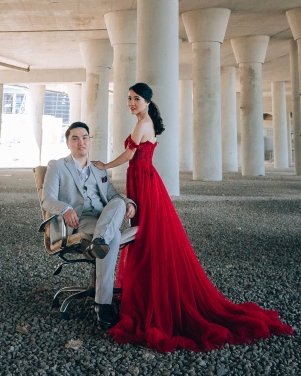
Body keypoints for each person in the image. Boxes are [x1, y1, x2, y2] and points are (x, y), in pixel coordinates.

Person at [92, 82, 293, 353]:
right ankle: (147, 289)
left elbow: (130, 155)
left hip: (144, 179)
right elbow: (134, 157)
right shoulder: (144, 121)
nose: (131, 103)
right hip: (143, 179)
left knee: (146, 233)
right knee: (143, 233)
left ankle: (152, 293)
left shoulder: (142, 124)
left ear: (147, 101)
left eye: (136, 99)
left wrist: (104, 165)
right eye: (128, 98)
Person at [42, 121, 136, 329]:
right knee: (115, 237)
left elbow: (113, 196)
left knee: (119, 202)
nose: (80, 142)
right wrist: (65, 209)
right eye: (74, 138)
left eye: (84, 137)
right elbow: (46, 199)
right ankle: (103, 304)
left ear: (90, 141)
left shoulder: (99, 169)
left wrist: (129, 203)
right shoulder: (58, 166)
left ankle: (100, 241)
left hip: (102, 219)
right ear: (68, 143)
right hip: (78, 221)